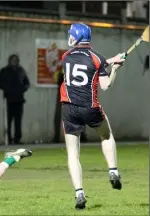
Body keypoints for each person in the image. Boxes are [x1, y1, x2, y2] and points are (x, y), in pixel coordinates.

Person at [61, 23, 125, 210]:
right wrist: (114, 68)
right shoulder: (97, 58)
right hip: (90, 108)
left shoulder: (65, 57)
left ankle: (79, 192)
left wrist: (110, 61)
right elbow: (105, 85)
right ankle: (113, 171)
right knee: (106, 135)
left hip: (69, 109)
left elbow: (86, 63)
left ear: (76, 38)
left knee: (73, 153)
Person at [0, 54, 30, 144]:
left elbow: (27, 83)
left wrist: (23, 88)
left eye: (16, 60)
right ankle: (8, 139)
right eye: (12, 60)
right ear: (10, 61)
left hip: (19, 99)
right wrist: (6, 88)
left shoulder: (21, 70)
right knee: (9, 120)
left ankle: (17, 139)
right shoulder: (5, 71)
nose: (14, 61)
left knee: (18, 121)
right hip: (9, 99)